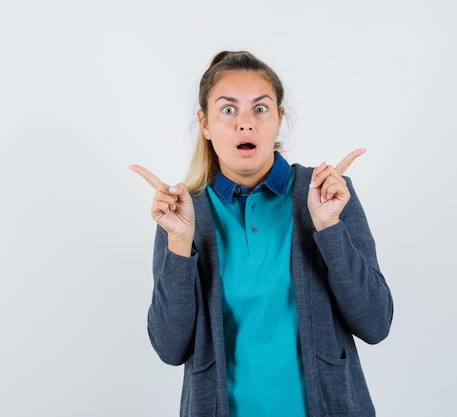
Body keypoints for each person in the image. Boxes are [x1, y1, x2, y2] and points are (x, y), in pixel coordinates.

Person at [129, 50, 393, 417]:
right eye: (228, 109)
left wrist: (330, 226)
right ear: (204, 124)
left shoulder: (327, 193)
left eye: (260, 108)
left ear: (279, 119)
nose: (245, 123)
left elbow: (376, 323)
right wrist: (178, 242)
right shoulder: (184, 212)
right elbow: (170, 348)